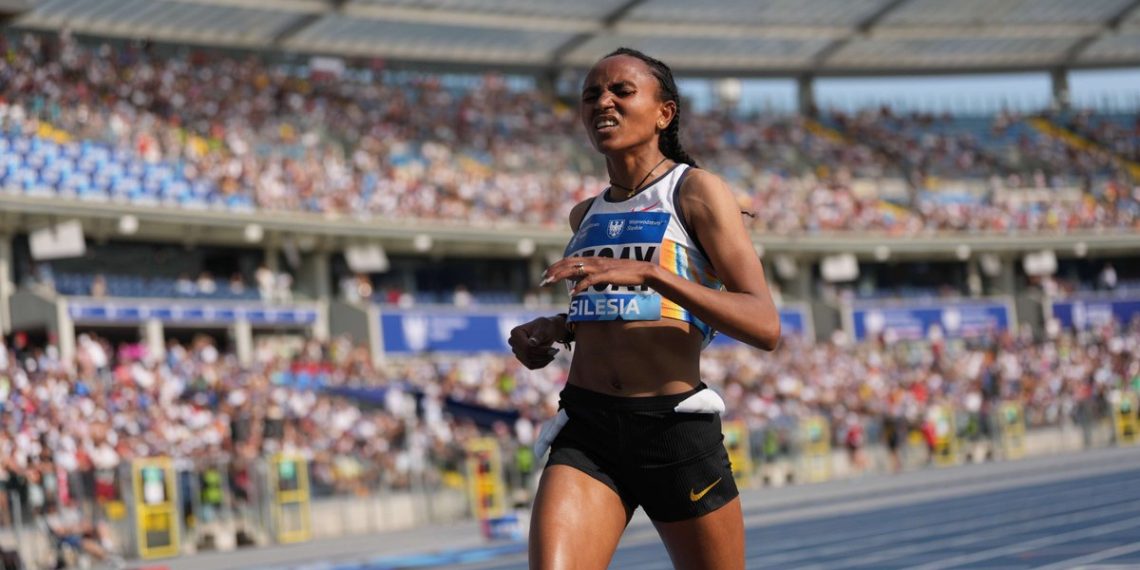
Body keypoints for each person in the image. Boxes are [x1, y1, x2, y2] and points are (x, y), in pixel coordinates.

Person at [508, 48, 780, 570]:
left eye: (621, 91)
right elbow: (618, 309)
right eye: (591, 95)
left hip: (672, 431)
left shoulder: (696, 193)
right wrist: (555, 328)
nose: (602, 102)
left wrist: (654, 273)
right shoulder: (584, 214)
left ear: (664, 113)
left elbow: (764, 325)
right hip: (588, 427)